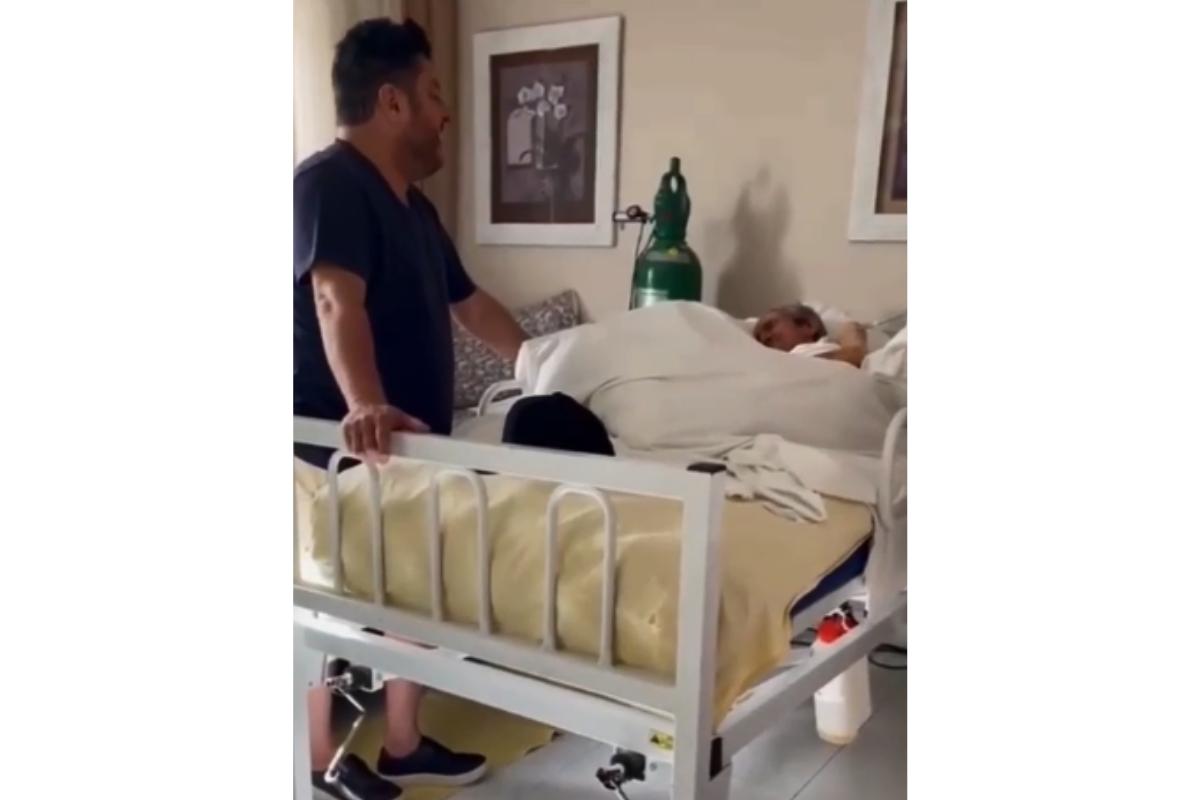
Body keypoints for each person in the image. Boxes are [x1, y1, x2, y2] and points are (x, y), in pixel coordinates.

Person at [294, 18, 528, 800]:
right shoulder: (330, 182)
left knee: (411, 593)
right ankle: (315, 761)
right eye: (433, 94)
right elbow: (335, 298)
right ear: (391, 103)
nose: (445, 112)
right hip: (328, 445)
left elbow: (472, 303)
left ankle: (402, 744)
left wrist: (545, 367)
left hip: (407, 449)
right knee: (325, 600)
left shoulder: (416, 210)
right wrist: (365, 402)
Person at [751, 303, 869, 367]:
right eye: (760, 340)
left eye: (769, 327)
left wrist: (850, 334)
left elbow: (851, 360)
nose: (765, 338)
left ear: (806, 325)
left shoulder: (809, 351)